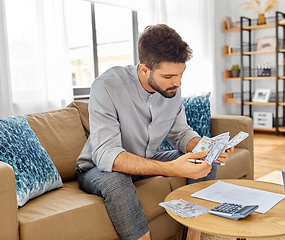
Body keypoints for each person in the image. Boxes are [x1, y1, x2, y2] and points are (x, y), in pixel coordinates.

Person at [76, 24, 232, 240]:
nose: (177, 83)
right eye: (169, 76)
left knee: (202, 159)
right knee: (116, 181)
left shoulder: (171, 89)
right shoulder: (107, 87)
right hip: (98, 168)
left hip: (144, 159)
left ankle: (193, 236)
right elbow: (107, 155)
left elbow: (180, 134)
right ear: (144, 69)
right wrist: (171, 168)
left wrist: (209, 148)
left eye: (180, 74)